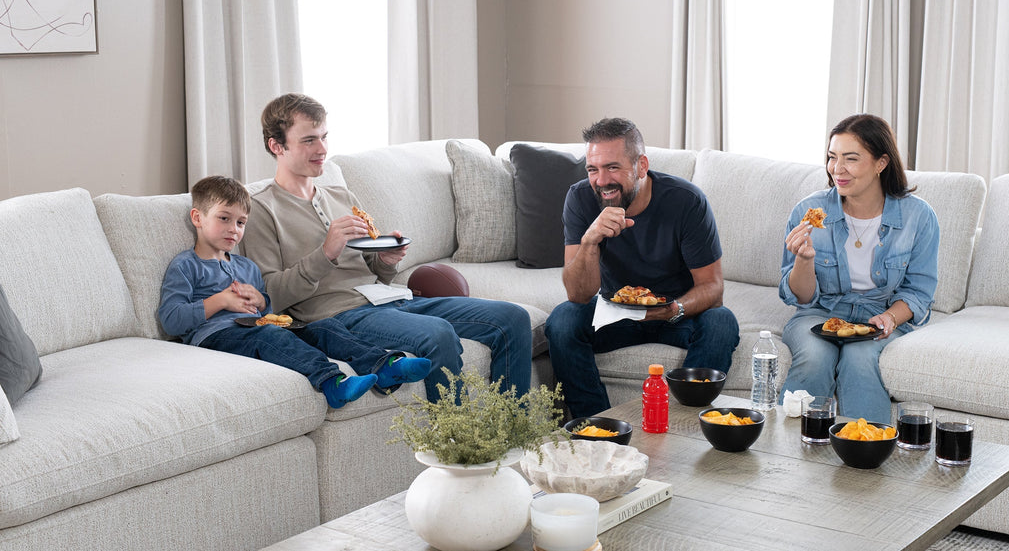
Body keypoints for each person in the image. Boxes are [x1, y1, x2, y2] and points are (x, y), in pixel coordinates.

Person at [239, 93, 532, 401]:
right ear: (277, 146)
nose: (322, 149)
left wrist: (387, 261)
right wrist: (326, 253)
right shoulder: (260, 210)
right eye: (309, 140)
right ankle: (453, 447)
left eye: (324, 137)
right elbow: (271, 296)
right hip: (338, 315)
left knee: (512, 318)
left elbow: (374, 274)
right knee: (438, 334)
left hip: (388, 300)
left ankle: (512, 440)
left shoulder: (340, 195)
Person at [158, 176, 431, 409]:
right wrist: (220, 300)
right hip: (216, 337)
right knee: (269, 337)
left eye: (241, 223)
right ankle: (332, 382)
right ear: (197, 217)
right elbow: (171, 319)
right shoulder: (186, 265)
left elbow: (266, 310)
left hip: (258, 327)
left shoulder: (247, 267)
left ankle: (384, 366)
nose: (233, 229)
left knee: (323, 328)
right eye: (224, 219)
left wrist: (261, 301)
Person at [545, 117, 739, 418]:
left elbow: (713, 289)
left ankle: (680, 426)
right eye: (593, 169)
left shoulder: (686, 202)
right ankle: (598, 427)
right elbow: (578, 295)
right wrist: (589, 241)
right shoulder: (581, 198)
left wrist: (675, 308)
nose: (601, 180)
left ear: (642, 166)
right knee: (562, 320)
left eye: (613, 167)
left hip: (676, 312)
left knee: (721, 322)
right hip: (616, 312)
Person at [780, 114, 940, 424]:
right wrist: (804, 260)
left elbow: (919, 293)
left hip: (880, 315)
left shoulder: (918, 216)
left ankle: (865, 456)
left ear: (881, 163)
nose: (837, 169)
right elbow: (800, 297)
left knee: (860, 358)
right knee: (814, 356)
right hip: (820, 312)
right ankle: (789, 453)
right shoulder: (808, 212)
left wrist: (890, 318)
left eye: (851, 159)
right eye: (832, 157)